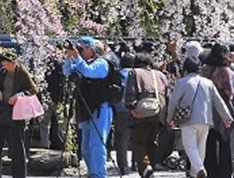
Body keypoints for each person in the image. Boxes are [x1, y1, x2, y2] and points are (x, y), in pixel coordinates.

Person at [166, 55, 233, 178]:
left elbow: (173, 101)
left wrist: (169, 118)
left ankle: (199, 169)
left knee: (189, 146)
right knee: (201, 147)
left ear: (185, 69)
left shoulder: (182, 82)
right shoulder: (208, 83)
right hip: (206, 120)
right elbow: (218, 101)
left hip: (188, 119)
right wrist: (226, 117)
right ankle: (195, 174)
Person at [64, 36, 115, 178]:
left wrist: (77, 57)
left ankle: (98, 174)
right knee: (85, 146)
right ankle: (92, 172)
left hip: (101, 109)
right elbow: (67, 72)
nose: (80, 51)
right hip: (86, 108)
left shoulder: (102, 63)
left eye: (83, 49)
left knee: (96, 144)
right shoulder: (82, 63)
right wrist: (69, 57)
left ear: (91, 49)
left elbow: (88, 72)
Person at [200, 44, 234, 178]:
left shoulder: (204, 69)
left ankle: (210, 171)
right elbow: (229, 92)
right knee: (224, 141)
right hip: (222, 109)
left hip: (206, 107)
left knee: (209, 140)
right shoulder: (224, 70)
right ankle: (225, 172)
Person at [0, 49, 39, 178]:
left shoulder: (22, 73)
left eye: (6, 64)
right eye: (3, 65)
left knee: (17, 146)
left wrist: (19, 95)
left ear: (13, 63)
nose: (4, 67)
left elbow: (33, 89)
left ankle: (19, 175)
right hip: (3, 110)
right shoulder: (3, 72)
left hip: (17, 113)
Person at [125, 52, 170, 178]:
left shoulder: (134, 73)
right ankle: (150, 168)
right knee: (152, 142)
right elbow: (167, 95)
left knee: (138, 142)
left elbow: (130, 93)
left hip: (141, 113)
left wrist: (131, 108)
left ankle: (146, 168)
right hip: (158, 113)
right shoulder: (160, 75)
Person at [112, 52, 135, 177]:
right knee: (137, 137)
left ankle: (123, 167)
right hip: (135, 109)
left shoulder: (118, 74)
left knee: (121, 139)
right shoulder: (135, 74)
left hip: (120, 109)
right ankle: (136, 163)